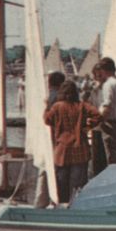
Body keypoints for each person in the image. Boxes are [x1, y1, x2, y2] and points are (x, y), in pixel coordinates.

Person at [44, 81, 102, 203]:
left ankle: (62, 204)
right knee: (78, 183)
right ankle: (78, 205)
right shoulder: (82, 105)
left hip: (62, 149)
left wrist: (46, 106)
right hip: (79, 147)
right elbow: (98, 115)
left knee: (61, 181)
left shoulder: (57, 106)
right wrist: (87, 126)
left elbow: (47, 120)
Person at [34, 70, 68, 208]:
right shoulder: (58, 98)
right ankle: (52, 201)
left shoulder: (49, 97)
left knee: (45, 169)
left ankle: (40, 202)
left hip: (46, 139)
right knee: (54, 170)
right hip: (55, 140)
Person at [88, 65, 108, 177]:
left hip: (109, 128)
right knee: (97, 160)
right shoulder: (94, 91)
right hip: (96, 128)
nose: (99, 77)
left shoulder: (111, 89)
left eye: (101, 75)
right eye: (96, 75)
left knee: (108, 159)